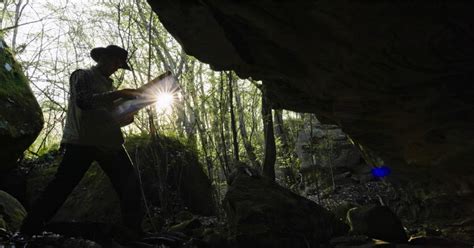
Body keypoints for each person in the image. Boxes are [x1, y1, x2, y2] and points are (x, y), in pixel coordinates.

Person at [20, 45, 144, 236]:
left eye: (119, 64)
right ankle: (28, 229)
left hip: (108, 144)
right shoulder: (81, 75)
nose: (116, 67)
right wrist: (120, 94)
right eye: (114, 61)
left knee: (130, 186)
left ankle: (134, 232)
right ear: (102, 57)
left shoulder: (108, 85)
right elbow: (84, 101)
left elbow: (103, 117)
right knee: (61, 187)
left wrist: (123, 119)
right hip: (81, 142)